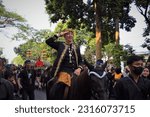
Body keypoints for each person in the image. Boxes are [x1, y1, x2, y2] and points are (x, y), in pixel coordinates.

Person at [46, 28, 84, 99]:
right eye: (67, 34)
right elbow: (48, 42)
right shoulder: (60, 45)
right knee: (59, 86)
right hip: (63, 72)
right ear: (64, 36)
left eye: (71, 34)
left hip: (75, 72)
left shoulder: (76, 47)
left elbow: (81, 61)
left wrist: (79, 68)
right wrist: (59, 34)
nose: (70, 35)